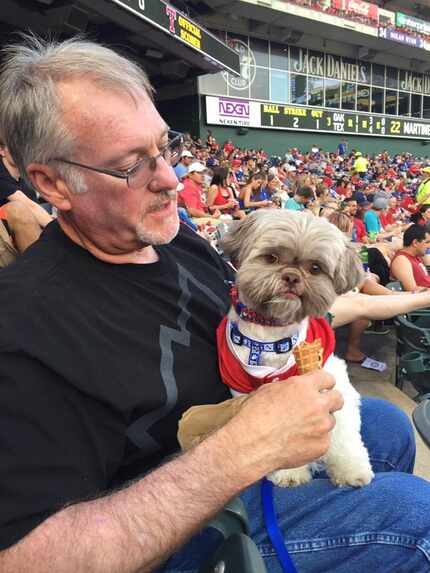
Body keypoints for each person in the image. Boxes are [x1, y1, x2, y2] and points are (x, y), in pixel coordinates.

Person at [1, 36, 430, 573]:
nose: (168, 179)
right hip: (175, 520)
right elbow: (25, 558)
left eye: (166, 148)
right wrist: (239, 452)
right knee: (418, 515)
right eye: (131, 165)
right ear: (53, 184)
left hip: (242, 437)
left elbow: (282, 318)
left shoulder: (167, 235)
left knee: (387, 423)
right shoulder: (26, 327)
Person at [391, 224, 430, 290]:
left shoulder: (416, 256)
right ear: (415, 243)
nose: (429, 246)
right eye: (427, 242)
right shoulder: (401, 260)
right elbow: (413, 290)